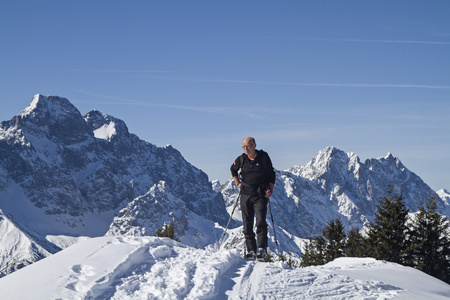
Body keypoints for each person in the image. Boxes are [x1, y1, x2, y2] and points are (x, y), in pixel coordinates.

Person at [230, 137, 276, 260]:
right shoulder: (241, 159)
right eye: (243, 147)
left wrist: (270, 190)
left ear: (254, 145)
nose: (246, 149)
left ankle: (262, 249)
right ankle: (251, 250)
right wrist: (238, 183)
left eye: (248, 146)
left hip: (260, 194)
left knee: (260, 222)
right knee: (247, 224)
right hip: (245, 194)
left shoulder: (263, 157)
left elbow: (271, 174)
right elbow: (233, 170)